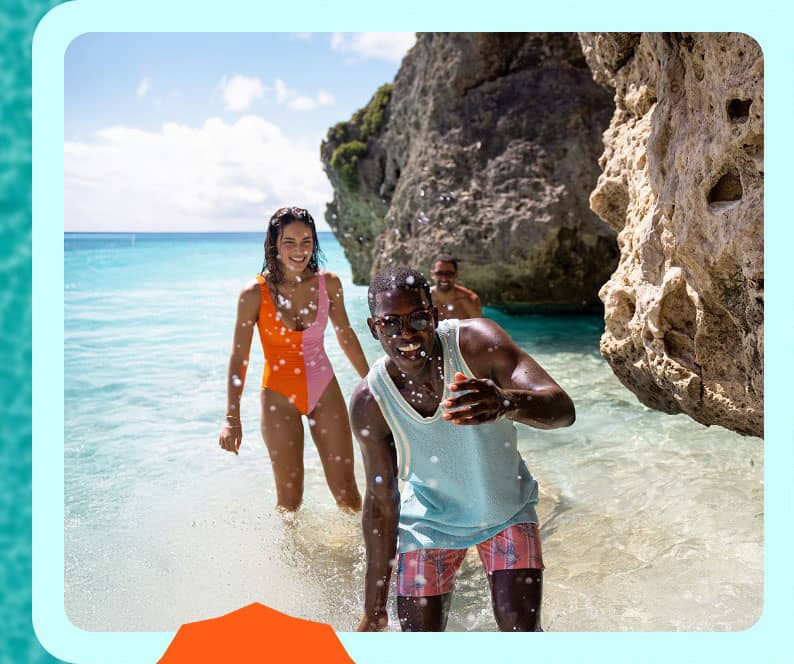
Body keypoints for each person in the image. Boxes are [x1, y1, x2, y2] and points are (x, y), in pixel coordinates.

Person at [350, 266, 575, 632]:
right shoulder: (370, 401)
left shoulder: (478, 343)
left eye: (418, 318)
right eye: (390, 323)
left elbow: (563, 410)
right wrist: (374, 608)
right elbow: (380, 504)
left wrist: (507, 402)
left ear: (435, 315)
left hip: (505, 510)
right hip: (429, 522)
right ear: (375, 329)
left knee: (522, 634)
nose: (406, 334)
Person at [219, 206, 368, 513]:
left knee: (348, 494)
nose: (299, 251)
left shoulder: (330, 284)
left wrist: (374, 383)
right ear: (274, 244)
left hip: (324, 389)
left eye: (307, 241)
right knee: (290, 502)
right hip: (278, 396)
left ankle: (365, 555)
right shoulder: (254, 293)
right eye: (290, 242)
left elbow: (346, 336)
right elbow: (239, 357)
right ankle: (291, 561)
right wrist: (232, 419)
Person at [430, 255, 482, 320]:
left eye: (449, 274)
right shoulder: (424, 298)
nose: (444, 278)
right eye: (439, 273)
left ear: (456, 275)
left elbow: (477, 326)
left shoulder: (470, 299)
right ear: (432, 275)